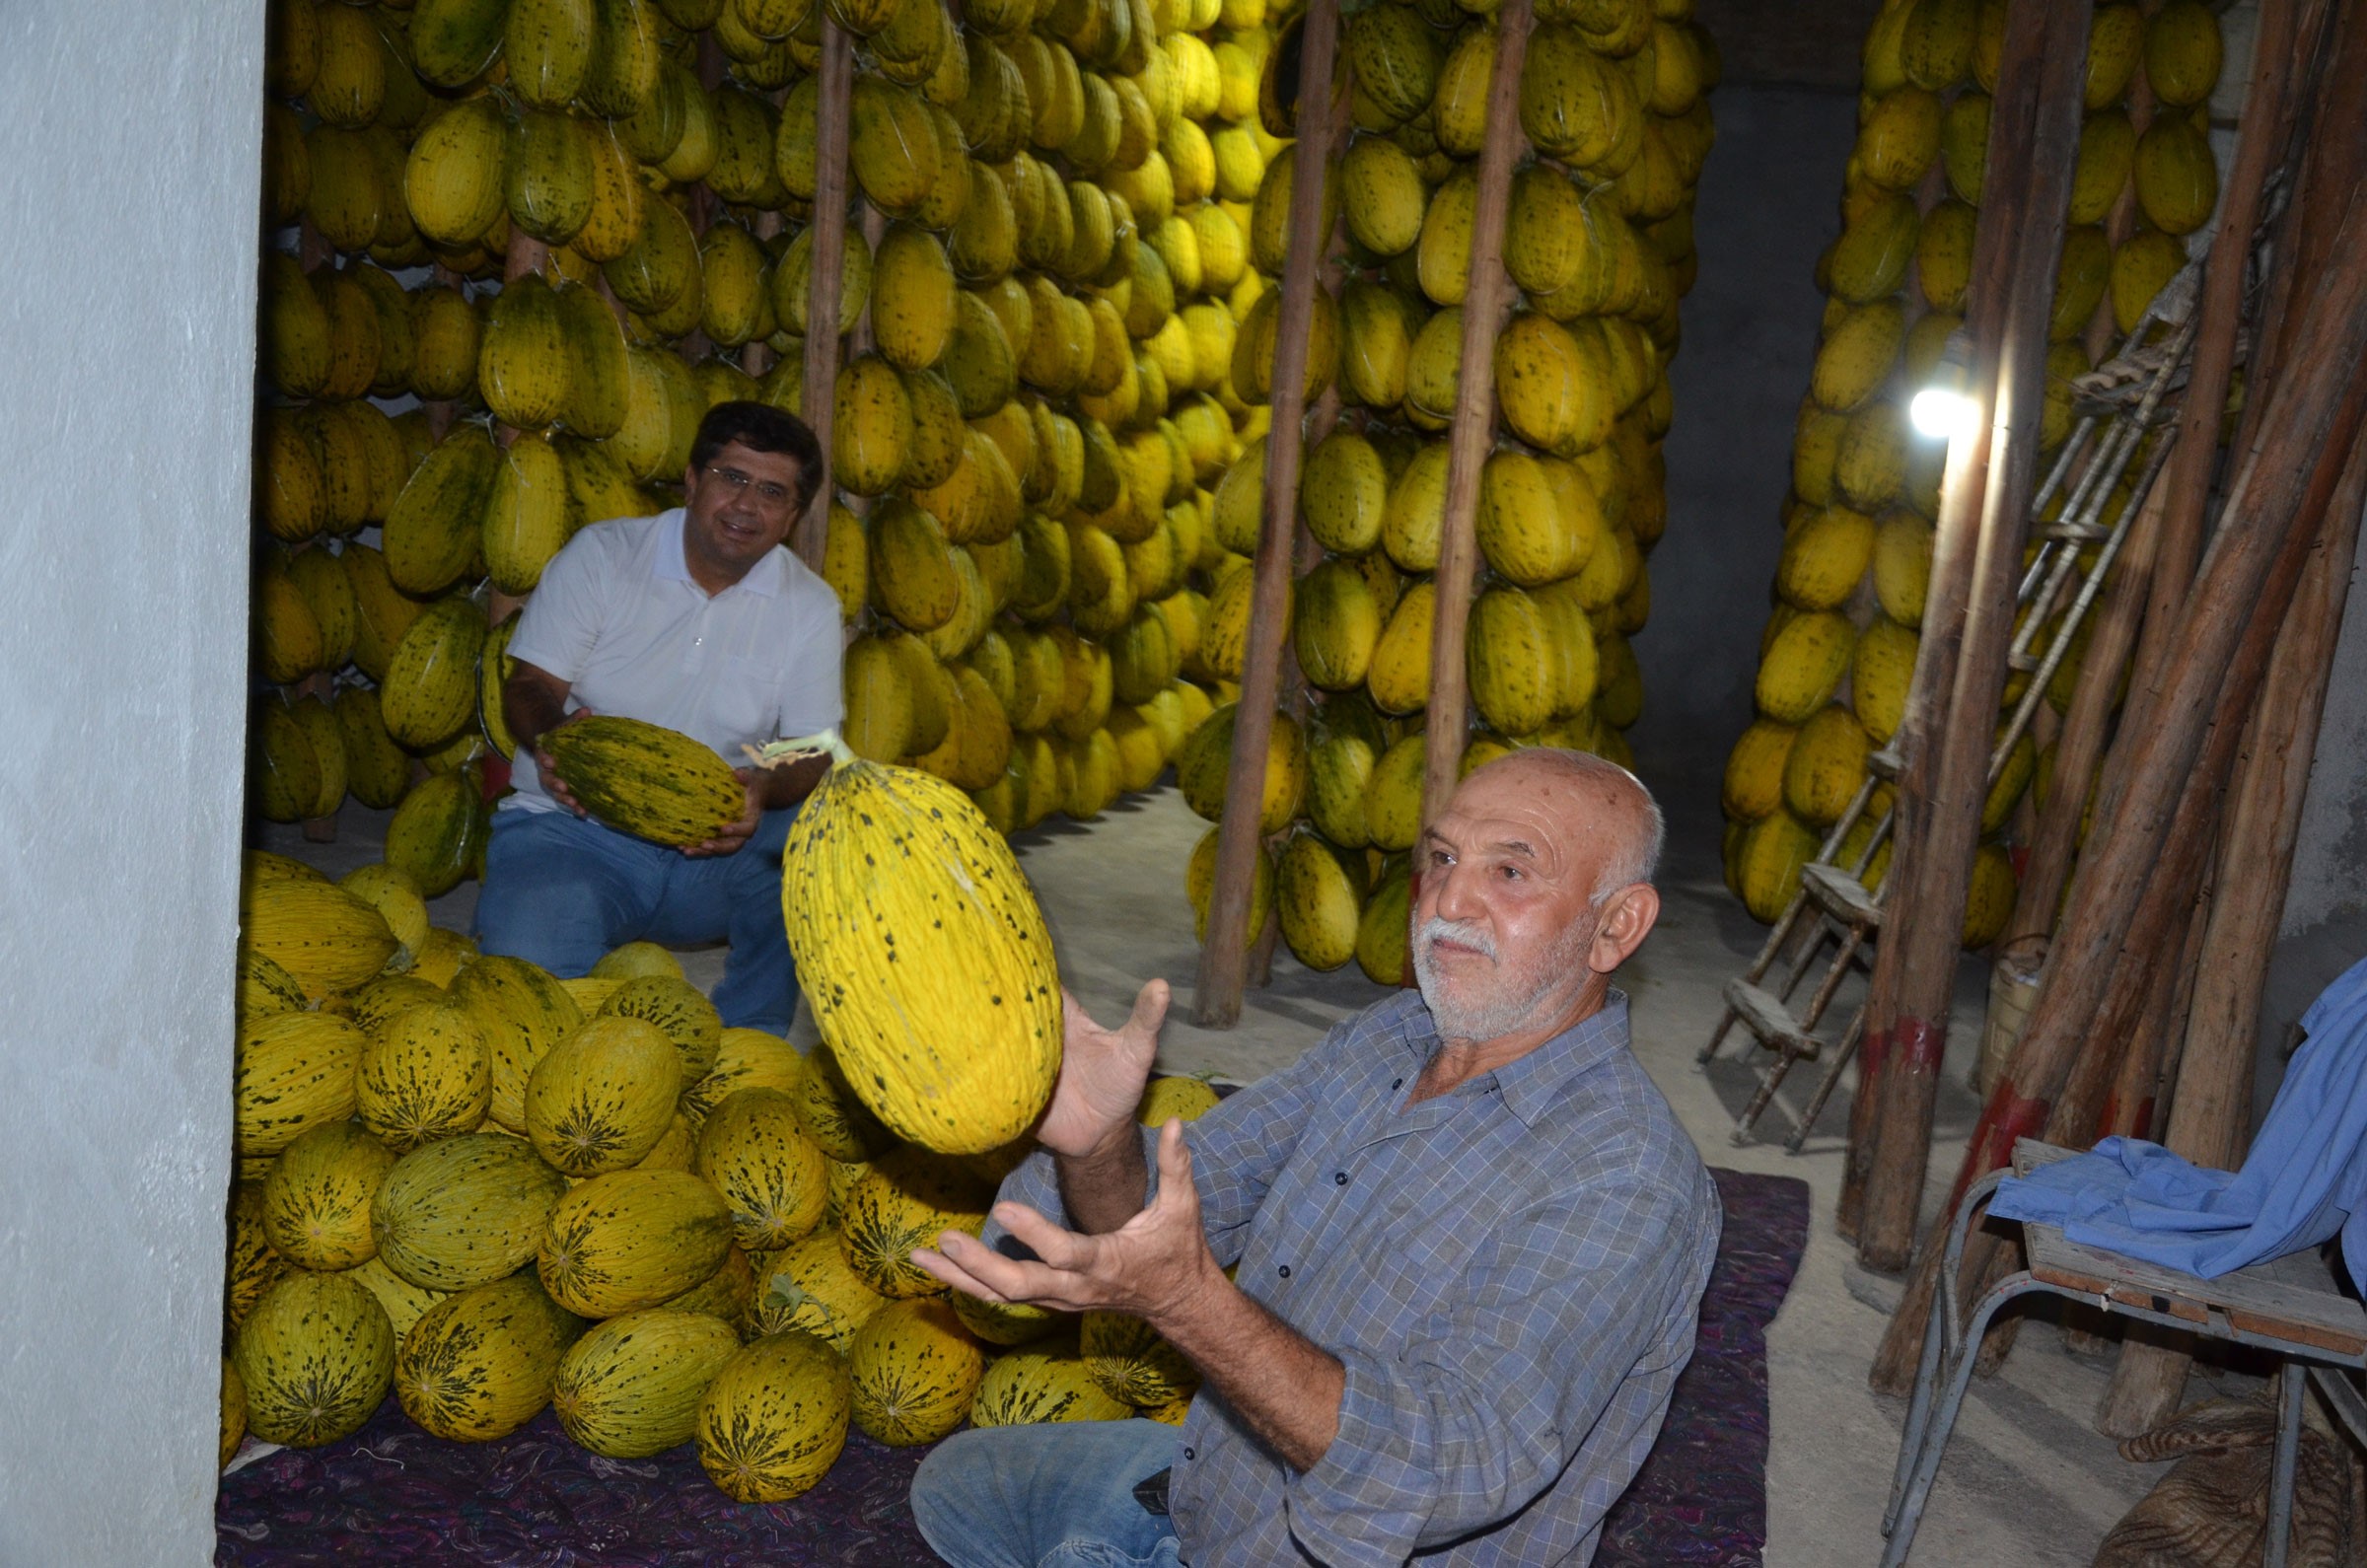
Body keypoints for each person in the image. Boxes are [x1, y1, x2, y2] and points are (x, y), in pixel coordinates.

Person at [909, 748, 1721, 1567]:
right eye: (1441, 858)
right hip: (1228, 1488)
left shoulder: (1627, 1177)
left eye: (1511, 871)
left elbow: (1444, 1469)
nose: (1449, 900)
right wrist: (1096, 1145)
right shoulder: (1393, 1036)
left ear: (1616, 925)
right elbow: (1169, 1207)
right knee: (955, 1489)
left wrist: (1189, 1301)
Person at [472, 401, 842, 1036]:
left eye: (772, 491)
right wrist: (555, 740)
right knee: (530, 1016)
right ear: (693, 481)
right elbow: (530, 684)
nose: (746, 505)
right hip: (572, 833)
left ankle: (751, 1037)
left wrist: (761, 786)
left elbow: (813, 747)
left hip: (715, 848)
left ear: (792, 516)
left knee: (815, 843)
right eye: (732, 478)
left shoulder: (809, 605)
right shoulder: (605, 556)